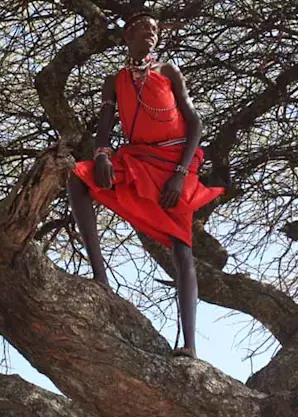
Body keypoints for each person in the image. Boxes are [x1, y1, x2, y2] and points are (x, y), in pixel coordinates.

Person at [67, 11, 224, 359]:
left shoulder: (168, 72)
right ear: (127, 36)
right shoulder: (115, 80)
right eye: (143, 29)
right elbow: (105, 126)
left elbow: (195, 124)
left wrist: (182, 173)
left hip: (174, 166)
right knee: (78, 177)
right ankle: (100, 277)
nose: (151, 34)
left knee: (182, 249)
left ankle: (190, 345)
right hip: (135, 161)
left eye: (154, 29)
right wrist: (103, 155)